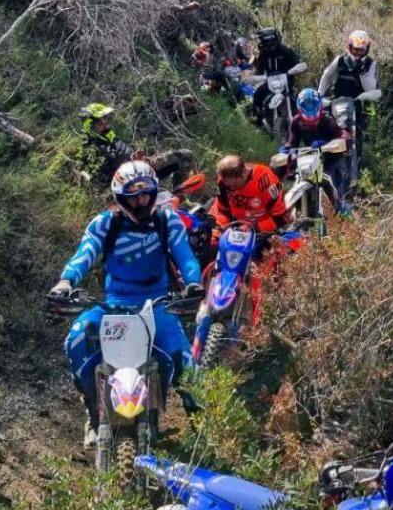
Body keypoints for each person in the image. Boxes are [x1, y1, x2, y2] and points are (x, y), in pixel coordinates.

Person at [48, 161, 203, 446]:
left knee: (183, 358)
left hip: (157, 303)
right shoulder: (104, 224)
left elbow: (185, 256)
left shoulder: (167, 221)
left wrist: (193, 283)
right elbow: (85, 253)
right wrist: (66, 282)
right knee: (77, 339)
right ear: (121, 197)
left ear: (155, 193)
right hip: (114, 303)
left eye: (146, 194)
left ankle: (206, 429)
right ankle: (94, 411)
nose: (141, 201)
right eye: (134, 196)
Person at [318, 30, 378, 167]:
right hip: (338, 101)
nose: (357, 53)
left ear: (367, 49)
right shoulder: (340, 60)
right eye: (355, 50)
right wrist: (319, 94)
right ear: (350, 47)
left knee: (359, 133)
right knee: (328, 127)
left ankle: (358, 162)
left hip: (359, 103)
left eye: (361, 51)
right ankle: (329, 160)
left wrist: (362, 71)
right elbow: (327, 75)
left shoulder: (370, 64)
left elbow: (371, 87)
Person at [285, 87, 351, 206]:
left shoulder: (327, 119)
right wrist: (286, 148)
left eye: (313, 106)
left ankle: (342, 209)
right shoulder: (296, 122)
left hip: (329, 157)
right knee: (294, 176)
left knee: (336, 187)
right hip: (309, 157)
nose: (310, 111)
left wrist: (332, 143)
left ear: (319, 106)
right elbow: (292, 141)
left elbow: (342, 135)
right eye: (307, 106)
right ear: (300, 108)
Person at [210, 154, 289, 240]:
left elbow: (281, 217)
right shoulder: (223, 182)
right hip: (237, 226)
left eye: (235, 185)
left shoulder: (265, 180)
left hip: (263, 229)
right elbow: (223, 210)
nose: (232, 189)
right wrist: (223, 229)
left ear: (243, 174)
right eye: (229, 186)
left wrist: (254, 229)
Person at [249, 26, 302, 131]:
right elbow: (259, 69)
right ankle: (258, 119)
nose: (260, 43)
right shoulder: (264, 54)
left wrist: (296, 69)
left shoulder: (286, 51)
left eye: (262, 40)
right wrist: (256, 77)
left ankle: (299, 121)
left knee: (296, 100)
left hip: (286, 82)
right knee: (257, 95)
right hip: (270, 83)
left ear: (270, 40)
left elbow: (298, 63)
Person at [78, 102, 124, 188]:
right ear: (91, 127)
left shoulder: (110, 138)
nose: (106, 127)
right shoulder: (91, 149)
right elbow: (100, 181)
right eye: (100, 124)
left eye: (106, 122)